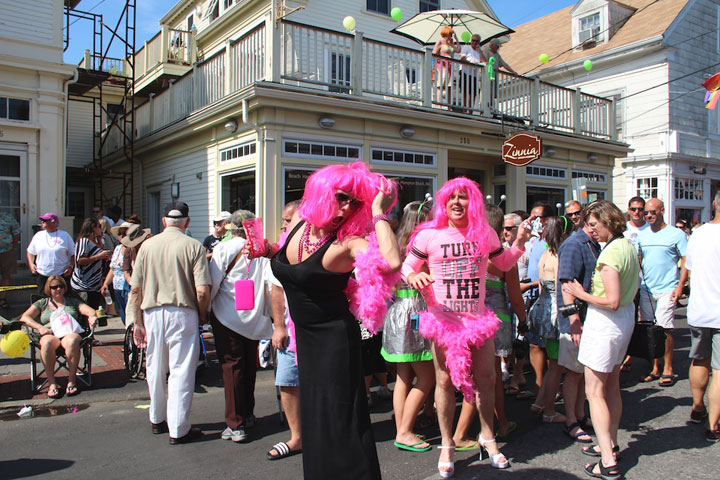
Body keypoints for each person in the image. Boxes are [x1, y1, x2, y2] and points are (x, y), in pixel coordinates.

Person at [263, 161, 402, 479]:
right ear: (321, 192)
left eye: (354, 201)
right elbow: (292, 262)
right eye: (341, 197)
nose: (346, 207)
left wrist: (379, 211)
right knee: (316, 420)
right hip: (307, 340)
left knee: (342, 422)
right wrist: (266, 249)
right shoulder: (299, 221)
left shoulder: (348, 242)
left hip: (335, 342)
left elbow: (392, 262)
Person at [403, 177, 532, 477]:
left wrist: (520, 244)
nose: (457, 203)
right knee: (445, 381)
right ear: (444, 203)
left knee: (487, 379)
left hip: (477, 319)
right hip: (443, 320)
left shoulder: (484, 232)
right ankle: (447, 443)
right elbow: (408, 265)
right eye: (452, 198)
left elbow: (502, 263)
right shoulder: (428, 235)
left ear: (471, 202)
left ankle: (488, 437)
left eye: (463, 197)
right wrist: (414, 277)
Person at [562, 200, 639, 480]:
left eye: (594, 224)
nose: (590, 230)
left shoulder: (610, 255)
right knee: (612, 388)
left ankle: (608, 459)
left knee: (594, 392)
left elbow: (612, 301)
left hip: (607, 323)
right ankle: (611, 444)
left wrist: (581, 294)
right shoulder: (627, 246)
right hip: (622, 323)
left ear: (608, 221)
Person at [130, 202, 212, 444]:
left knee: (155, 365)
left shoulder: (147, 246)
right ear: (186, 222)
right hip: (182, 311)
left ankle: (157, 418)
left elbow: (135, 289)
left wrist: (137, 322)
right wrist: (203, 314)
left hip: (152, 312)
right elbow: (202, 290)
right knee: (181, 370)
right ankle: (178, 427)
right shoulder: (193, 246)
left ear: (164, 221)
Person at [452, 205, 528, 449]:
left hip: (469, 319)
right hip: (496, 320)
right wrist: (524, 321)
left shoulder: (465, 252)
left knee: (488, 376)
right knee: (485, 378)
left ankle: (500, 423)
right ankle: (460, 434)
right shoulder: (505, 257)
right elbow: (515, 297)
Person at [209, 210, 273, 443]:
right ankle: (248, 414)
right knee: (248, 367)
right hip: (253, 316)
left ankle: (235, 423)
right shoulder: (260, 249)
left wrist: (206, 310)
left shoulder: (223, 249)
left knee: (232, 367)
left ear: (231, 228)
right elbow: (268, 283)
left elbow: (214, 283)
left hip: (227, 315)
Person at [381, 200, 435, 452]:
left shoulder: (394, 245)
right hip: (416, 312)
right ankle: (404, 431)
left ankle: (402, 427)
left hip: (395, 312)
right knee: (427, 377)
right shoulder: (422, 247)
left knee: (404, 376)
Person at [557, 211, 601, 444]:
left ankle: (581, 414)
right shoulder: (574, 244)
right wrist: (573, 321)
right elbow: (566, 284)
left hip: (588, 318)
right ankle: (571, 420)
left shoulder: (592, 243)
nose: (596, 228)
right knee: (574, 372)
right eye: (592, 224)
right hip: (576, 320)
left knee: (583, 370)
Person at [19, 275, 98, 398]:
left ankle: (72, 381)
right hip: (51, 334)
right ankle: (52, 383)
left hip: (70, 333)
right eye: (54, 287)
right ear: (48, 289)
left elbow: (90, 311)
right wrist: (39, 327)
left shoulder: (73, 302)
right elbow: (25, 317)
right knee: (47, 343)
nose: (58, 289)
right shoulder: (42, 303)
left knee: (72, 341)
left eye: (61, 286)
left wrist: (92, 317)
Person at [636, 198, 687, 386]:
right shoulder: (642, 235)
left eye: (652, 212)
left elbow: (686, 260)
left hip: (668, 288)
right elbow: (638, 259)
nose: (648, 215)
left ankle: (668, 368)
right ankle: (655, 368)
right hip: (646, 289)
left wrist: (681, 285)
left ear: (662, 211)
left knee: (664, 329)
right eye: (646, 213)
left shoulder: (676, 234)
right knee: (649, 329)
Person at [267, 200, 302, 460]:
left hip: (317, 329)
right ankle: (297, 437)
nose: (283, 226)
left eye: (288, 221)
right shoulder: (281, 253)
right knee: (288, 382)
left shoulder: (318, 246)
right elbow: (276, 290)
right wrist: (278, 326)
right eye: (283, 221)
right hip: (290, 329)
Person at [528, 216, 572, 424]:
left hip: (543, 309)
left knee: (553, 361)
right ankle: (550, 410)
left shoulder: (545, 253)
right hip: (555, 312)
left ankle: (539, 402)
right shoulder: (560, 255)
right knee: (556, 365)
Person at [685, 191, 720, 441]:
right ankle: (713, 425)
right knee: (719, 370)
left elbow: (690, 267)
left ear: (715, 204)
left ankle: (698, 407)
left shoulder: (698, 233)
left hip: (699, 309)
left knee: (700, 360)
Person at [526, 203, 553, 397]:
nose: (536, 222)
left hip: (547, 296)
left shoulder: (552, 242)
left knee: (549, 345)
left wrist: (534, 284)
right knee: (534, 343)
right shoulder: (534, 242)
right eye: (533, 218)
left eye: (540, 218)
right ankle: (538, 384)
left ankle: (553, 387)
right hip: (531, 297)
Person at [27, 213, 75, 294]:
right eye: (42, 221)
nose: (42, 222)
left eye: (45, 220)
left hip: (61, 274)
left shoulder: (64, 235)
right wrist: (31, 264)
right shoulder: (38, 235)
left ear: (53, 222)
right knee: (43, 299)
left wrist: (70, 267)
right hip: (43, 274)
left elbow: (73, 254)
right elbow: (30, 252)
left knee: (63, 299)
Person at [70, 217, 111, 310]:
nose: (101, 229)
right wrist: (98, 257)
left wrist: (100, 240)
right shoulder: (84, 241)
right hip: (83, 284)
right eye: (99, 226)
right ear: (93, 228)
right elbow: (79, 260)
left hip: (95, 284)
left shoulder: (96, 242)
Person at [433, 26, 461, 107]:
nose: (451, 36)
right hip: (441, 65)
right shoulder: (440, 42)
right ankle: (439, 105)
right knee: (440, 85)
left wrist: (456, 39)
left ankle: (449, 106)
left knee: (449, 86)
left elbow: (458, 50)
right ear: (446, 33)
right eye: (450, 34)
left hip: (449, 66)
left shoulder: (451, 43)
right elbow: (434, 53)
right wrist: (443, 57)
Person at [459, 34, 487, 111]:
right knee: (465, 92)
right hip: (465, 72)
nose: (474, 42)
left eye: (476, 41)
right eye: (473, 40)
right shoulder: (466, 47)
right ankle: (464, 110)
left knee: (473, 94)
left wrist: (480, 51)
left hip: (474, 75)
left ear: (479, 42)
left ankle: (470, 111)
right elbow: (461, 57)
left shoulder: (479, 51)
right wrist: (470, 62)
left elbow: (485, 62)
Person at [0, 210, 20, 309]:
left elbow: (16, 232)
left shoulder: (8, 217)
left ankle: (2, 298)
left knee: (6, 275)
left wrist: (14, 247)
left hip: (7, 251)